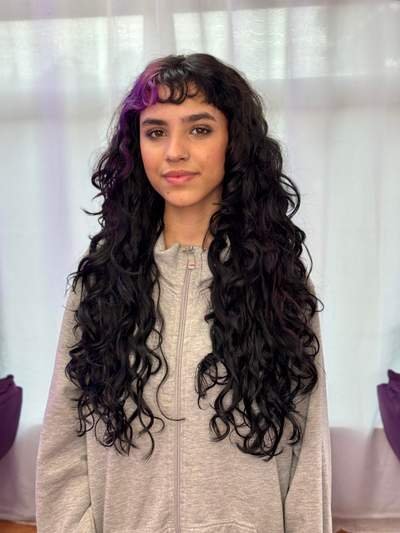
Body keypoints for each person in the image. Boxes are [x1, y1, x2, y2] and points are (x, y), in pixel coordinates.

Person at [35, 53, 332, 532]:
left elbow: (308, 453)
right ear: (136, 147)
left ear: (234, 141)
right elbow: (64, 445)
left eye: (199, 129)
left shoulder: (281, 285)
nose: (174, 151)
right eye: (155, 132)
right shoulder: (101, 284)